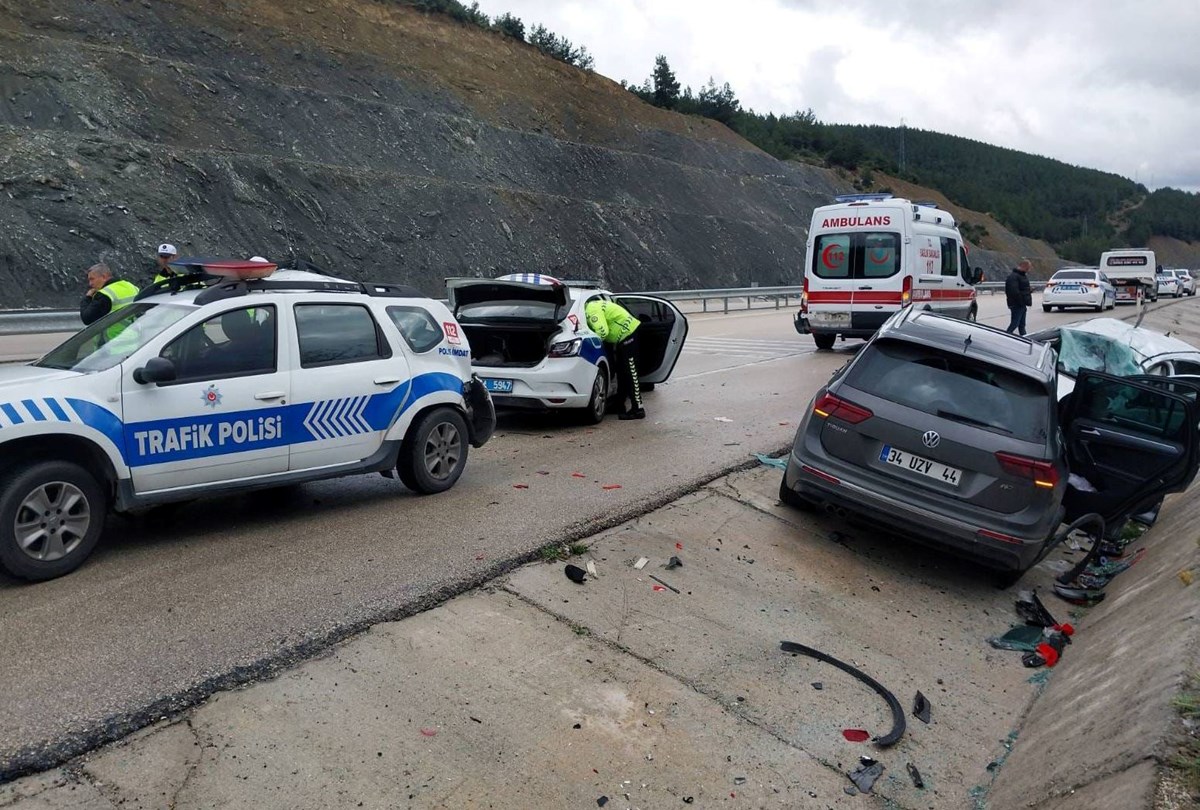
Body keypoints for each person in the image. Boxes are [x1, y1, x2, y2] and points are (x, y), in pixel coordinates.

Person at [584, 297, 645, 419]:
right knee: (622, 372)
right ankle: (619, 405)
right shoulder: (596, 305)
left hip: (628, 334)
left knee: (630, 372)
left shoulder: (591, 311)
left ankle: (638, 409)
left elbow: (603, 332)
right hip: (624, 336)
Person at [1005, 260, 1033, 336]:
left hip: (1022, 304)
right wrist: (1021, 301)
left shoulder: (1022, 276)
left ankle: (1025, 339)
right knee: (1015, 324)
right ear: (1024, 266)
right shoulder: (1013, 277)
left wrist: (1028, 291)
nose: (1029, 270)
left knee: (1021, 325)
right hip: (1016, 304)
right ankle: (1006, 336)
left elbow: (1022, 289)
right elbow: (1013, 291)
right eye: (1028, 268)